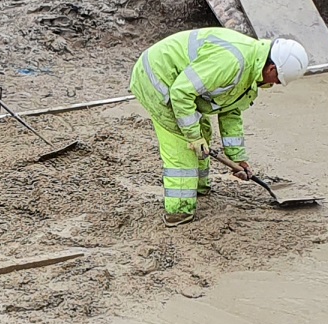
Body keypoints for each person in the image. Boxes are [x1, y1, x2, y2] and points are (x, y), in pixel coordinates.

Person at [127, 28, 310, 224]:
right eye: (277, 80)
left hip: (182, 84)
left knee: (203, 132)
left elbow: (230, 110)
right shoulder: (232, 62)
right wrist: (192, 136)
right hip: (158, 78)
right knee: (184, 147)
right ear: (272, 69)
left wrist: (237, 158)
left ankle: (199, 187)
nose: (274, 85)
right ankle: (179, 211)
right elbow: (180, 93)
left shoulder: (251, 70)